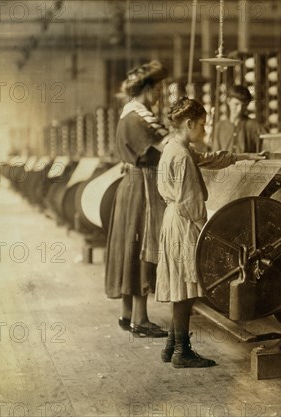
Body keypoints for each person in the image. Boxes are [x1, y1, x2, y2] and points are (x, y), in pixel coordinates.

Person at [155, 97, 264, 368]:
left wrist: (245, 157)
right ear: (189, 124)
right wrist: (210, 231)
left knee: (182, 285)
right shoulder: (180, 156)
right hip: (184, 223)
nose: (205, 130)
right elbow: (191, 203)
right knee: (187, 288)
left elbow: (208, 159)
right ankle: (182, 351)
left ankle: (172, 344)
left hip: (174, 220)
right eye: (202, 125)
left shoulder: (174, 147)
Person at [105, 60, 169, 338]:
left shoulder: (127, 115)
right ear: (148, 89)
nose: (161, 94)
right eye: (159, 89)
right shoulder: (140, 118)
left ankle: (127, 313)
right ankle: (141, 321)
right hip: (142, 187)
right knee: (145, 245)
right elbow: (169, 146)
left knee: (128, 246)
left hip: (130, 186)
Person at [212, 85, 266, 153]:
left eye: (243, 105)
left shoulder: (254, 126)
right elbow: (215, 155)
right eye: (236, 104)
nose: (240, 109)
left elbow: (268, 146)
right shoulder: (220, 126)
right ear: (228, 101)